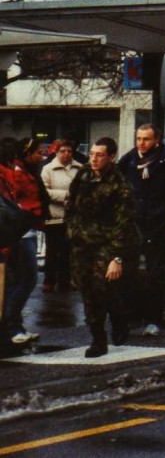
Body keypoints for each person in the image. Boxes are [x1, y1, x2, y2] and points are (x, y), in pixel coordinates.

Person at [66, 137, 137, 358]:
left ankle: (108, 331)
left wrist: (117, 257)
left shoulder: (120, 185)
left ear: (112, 157)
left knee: (101, 288)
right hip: (82, 243)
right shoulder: (84, 174)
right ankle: (101, 331)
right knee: (87, 288)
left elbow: (123, 223)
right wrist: (71, 230)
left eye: (99, 155)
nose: (94, 159)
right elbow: (72, 202)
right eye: (92, 154)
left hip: (106, 243)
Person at [117, 124, 165, 337]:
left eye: (146, 139)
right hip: (132, 223)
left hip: (157, 224)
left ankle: (153, 320)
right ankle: (131, 317)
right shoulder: (128, 161)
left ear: (156, 140)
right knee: (128, 271)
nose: (141, 143)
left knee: (154, 274)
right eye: (138, 138)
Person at [1, 138, 45, 348]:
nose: (41, 156)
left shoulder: (19, 172)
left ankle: (14, 325)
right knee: (26, 279)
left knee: (17, 280)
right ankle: (11, 326)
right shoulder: (12, 173)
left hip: (22, 228)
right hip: (18, 231)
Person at [41, 139, 82, 292]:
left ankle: (65, 279)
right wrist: (66, 195)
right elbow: (45, 191)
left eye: (69, 151)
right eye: (62, 151)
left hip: (74, 216)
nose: (66, 154)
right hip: (55, 215)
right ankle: (49, 280)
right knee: (52, 250)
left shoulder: (79, 168)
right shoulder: (47, 169)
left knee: (69, 250)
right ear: (56, 152)